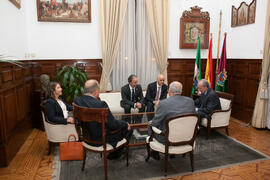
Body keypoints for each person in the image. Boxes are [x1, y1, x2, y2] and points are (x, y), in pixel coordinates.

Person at [74, 80, 133, 159]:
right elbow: (113, 125)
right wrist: (125, 123)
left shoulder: (77, 100)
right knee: (129, 129)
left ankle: (115, 152)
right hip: (100, 139)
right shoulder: (100, 104)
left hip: (86, 138)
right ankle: (115, 154)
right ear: (96, 91)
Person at [148, 81, 195, 160]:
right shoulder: (190, 101)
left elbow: (156, 122)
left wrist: (152, 122)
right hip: (187, 136)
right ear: (181, 91)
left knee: (150, 125)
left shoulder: (163, 103)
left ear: (169, 91)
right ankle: (173, 153)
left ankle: (154, 152)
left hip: (168, 139)